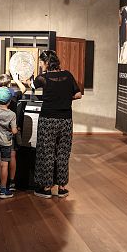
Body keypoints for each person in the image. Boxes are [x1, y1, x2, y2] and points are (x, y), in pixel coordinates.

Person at [31, 50, 82, 198]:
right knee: (63, 153)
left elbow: (33, 86)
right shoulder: (68, 75)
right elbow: (78, 94)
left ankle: (46, 188)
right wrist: (65, 99)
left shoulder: (43, 78)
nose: (40, 65)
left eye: (41, 62)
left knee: (46, 152)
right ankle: (61, 187)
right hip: (66, 120)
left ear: (46, 63)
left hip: (48, 119)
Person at [0, 73, 27, 191]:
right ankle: (12, 182)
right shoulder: (12, 94)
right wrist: (16, 79)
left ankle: (0, 182)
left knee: (0, 157)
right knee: (12, 155)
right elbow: (23, 89)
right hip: (11, 129)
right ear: (9, 84)